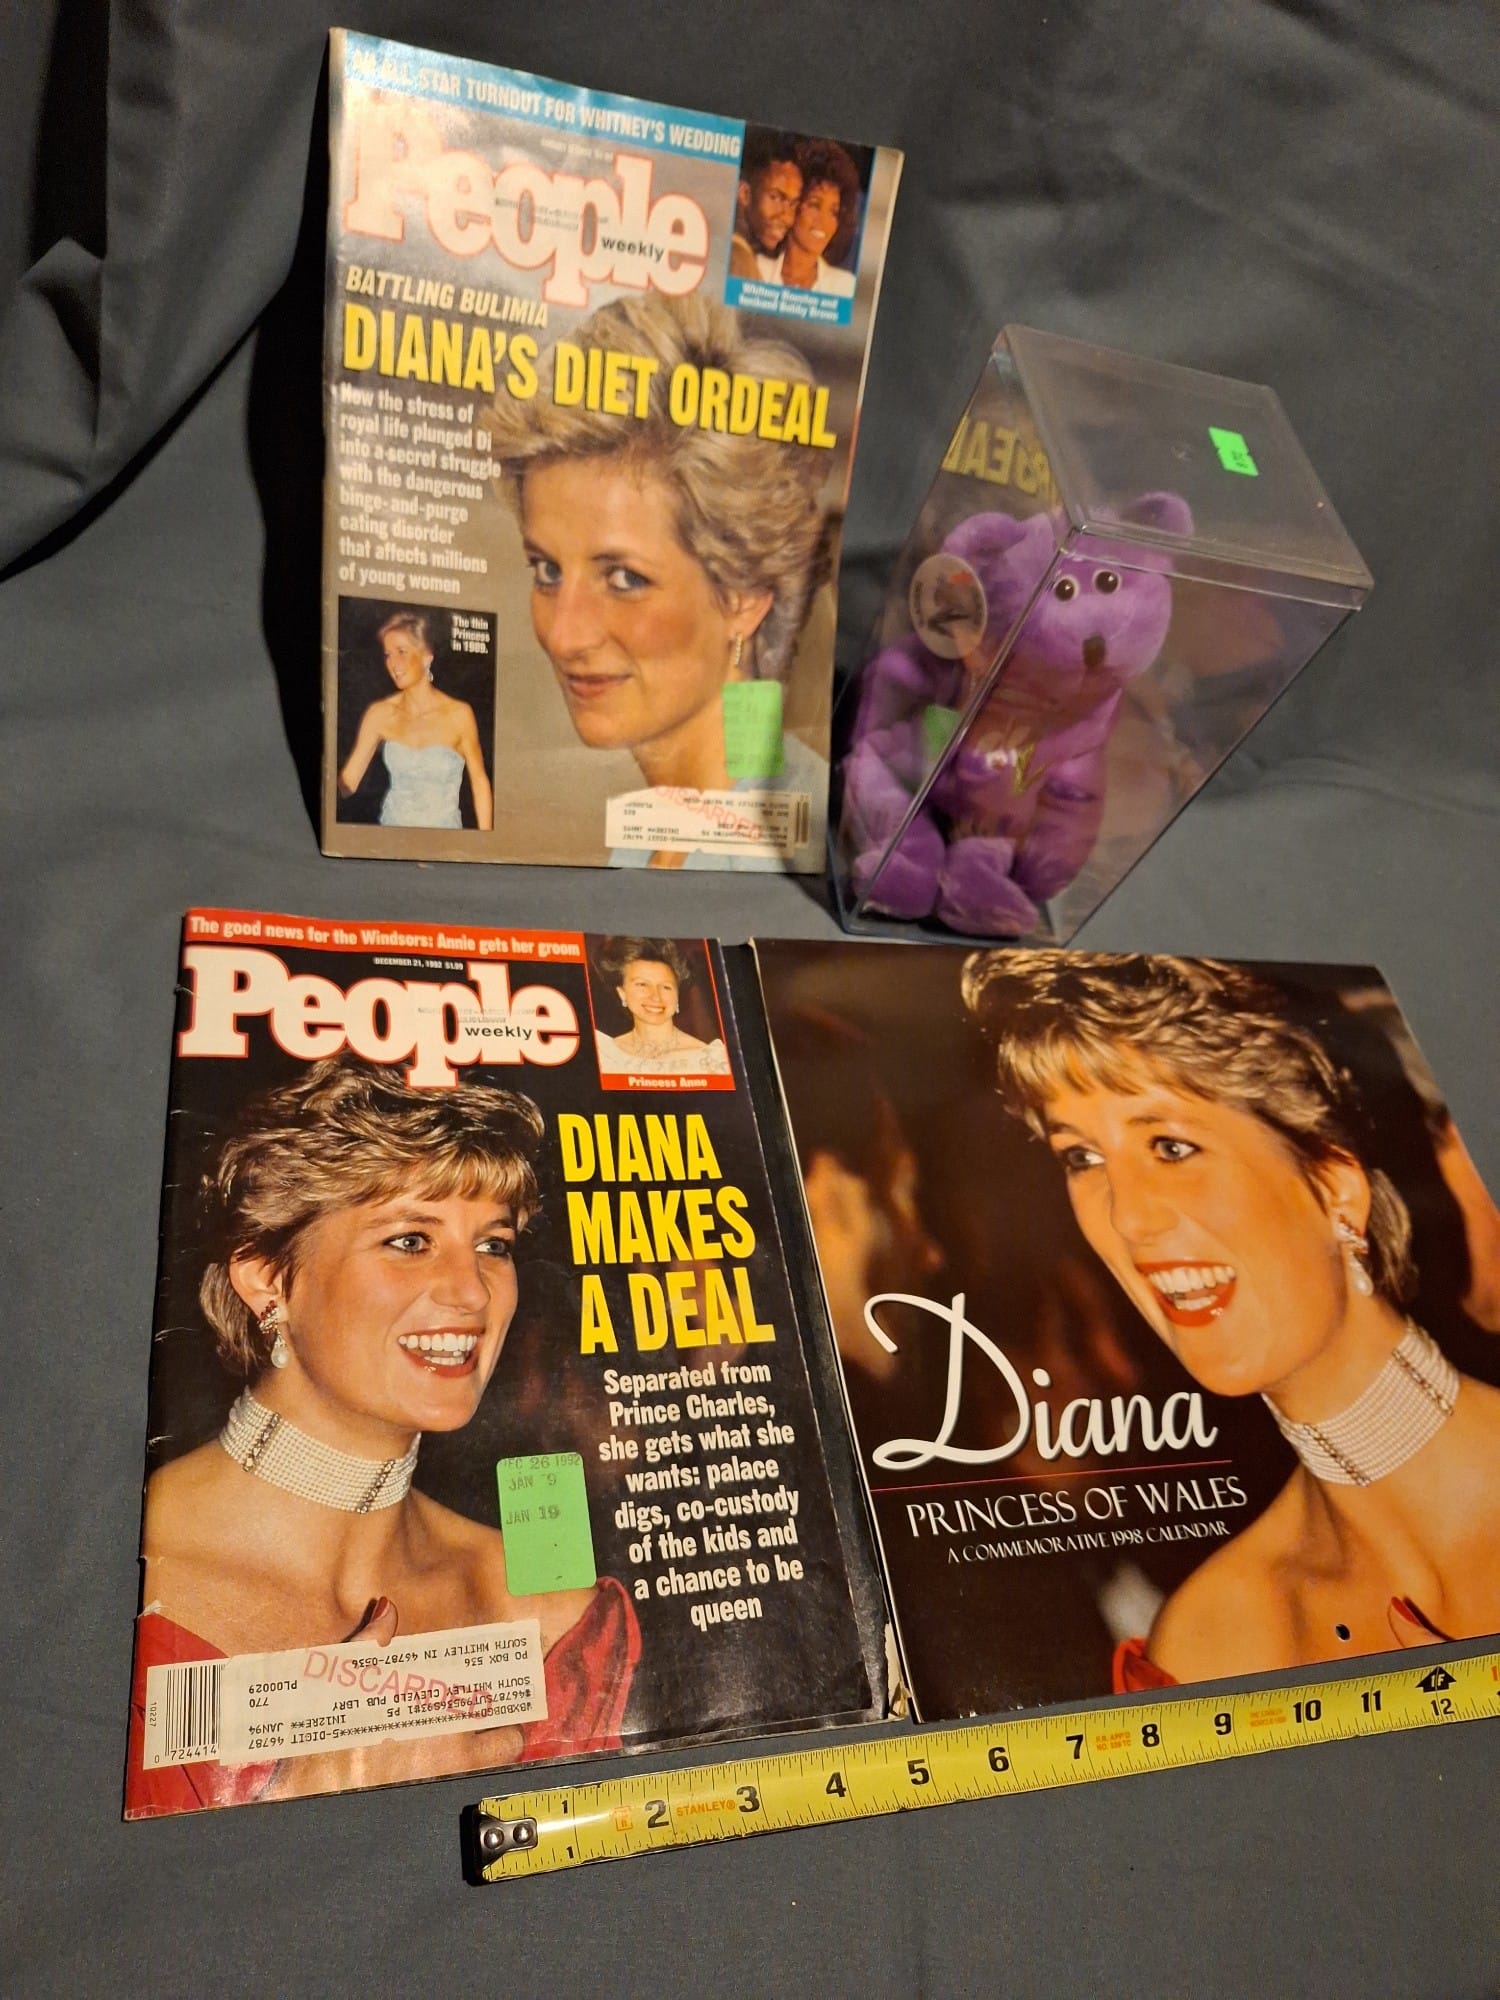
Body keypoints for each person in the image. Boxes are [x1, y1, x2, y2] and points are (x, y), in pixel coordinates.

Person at [960, 949, 1500, 1691]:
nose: (1129, 1218)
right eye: (1082, 1158)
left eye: (1171, 1146)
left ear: (1334, 1185)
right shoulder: (1212, 1642)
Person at [127, 1056, 638, 1815]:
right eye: (409, 1240)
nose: (471, 1291)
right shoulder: (124, 1579)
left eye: (493, 1244)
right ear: (267, 1278)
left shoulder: (551, 1611)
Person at [487, 294, 828, 870]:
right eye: (547, 571)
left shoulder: (780, 856)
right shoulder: (653, 832)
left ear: (743, 596)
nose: (564, 637)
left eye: (624, 578)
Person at [338, 612, 493, 831]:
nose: (393, 663)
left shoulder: (459, 714)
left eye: (401, 652)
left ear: (426, 657)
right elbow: (349, 781)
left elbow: (479, 783)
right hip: (392, 834)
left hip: (445, 838)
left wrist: (486, 841)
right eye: (388, 655)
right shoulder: (379, 713)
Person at [592, 937, 730, 1077]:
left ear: (677, 996)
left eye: (666, 987)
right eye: (642, 984)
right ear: (622, 993)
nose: (656, 997)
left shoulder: (711, 1060)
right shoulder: (605, 1055)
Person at [764, 140, 862, 297]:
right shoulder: (756, 269)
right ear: (792, 205)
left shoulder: (845, 287)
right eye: (814, 205)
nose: (824, 222)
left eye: (833, 212)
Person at [728, 131, 803, 278]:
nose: (787, 218)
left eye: (793, 204)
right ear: (744, 194)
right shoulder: (737, 260)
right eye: (775, 198)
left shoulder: (743, 256)